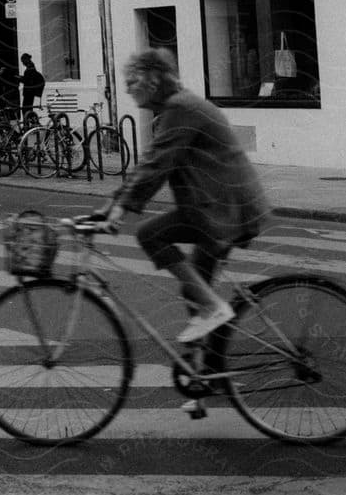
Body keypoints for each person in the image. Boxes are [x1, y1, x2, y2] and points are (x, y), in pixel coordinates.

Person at [90, 47, 272, 344]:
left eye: (132, 80)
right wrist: (112, 203)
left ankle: (213, 314)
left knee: (150, 234)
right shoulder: (172, 111)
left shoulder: (181, 107)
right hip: (223, 206)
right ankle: (210, 368)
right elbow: (150, 161)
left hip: (223, 208)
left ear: (152, 79)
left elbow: (157, 164)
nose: (126, 87)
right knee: (194, 288)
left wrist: (122, 209)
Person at [18, 53, 45, 118]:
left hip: (29, 92)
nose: (22, 63)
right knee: (28, 109)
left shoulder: (30, 68)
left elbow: (27, 80)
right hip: (30, 92)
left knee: (26, 109)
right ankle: (31, 122)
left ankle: (29, 123)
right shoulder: (31, 67)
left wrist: (19, 78)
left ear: (26, 60)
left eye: (22, 61)